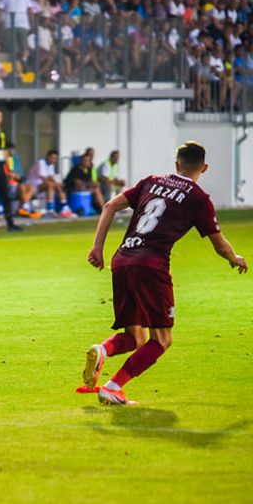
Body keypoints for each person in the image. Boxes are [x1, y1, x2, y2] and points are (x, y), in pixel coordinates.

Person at [82, 141, 247, 405]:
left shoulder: (152, 181)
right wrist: (234, 258)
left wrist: (97, 248)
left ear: (177, 164)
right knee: (162, 339)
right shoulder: (199, 198)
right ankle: (113, 387)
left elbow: (109, 206)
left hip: (122, 260)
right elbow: (219, 244)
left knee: (135, 337)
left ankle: (102, 349)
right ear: (204, 168)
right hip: (151, 266)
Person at [25, 150, 75, 217]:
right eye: (52, 157)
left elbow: (51, 177)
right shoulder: (41, 163)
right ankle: (50, 209)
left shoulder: (51, 166)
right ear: (47, 157)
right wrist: (56, 184)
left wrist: (58, 184)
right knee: (50, 184)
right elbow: (43, 178)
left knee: (57, 185)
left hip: (42, 187)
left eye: (55, 158)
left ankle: (64, 207)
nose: (53, 160)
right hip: (32, 186)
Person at [4, 143, 41, 219]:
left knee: (31, 187)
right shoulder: (1, 161)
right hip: (8, 184)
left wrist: (17, 177)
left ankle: (24, 207)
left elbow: (13, 172)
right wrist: (16, 177)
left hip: (15, 182)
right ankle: (25, 208)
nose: (13, 151)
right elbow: (8, 174)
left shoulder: (11, 160)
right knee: (21, 187)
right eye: (11, 150)